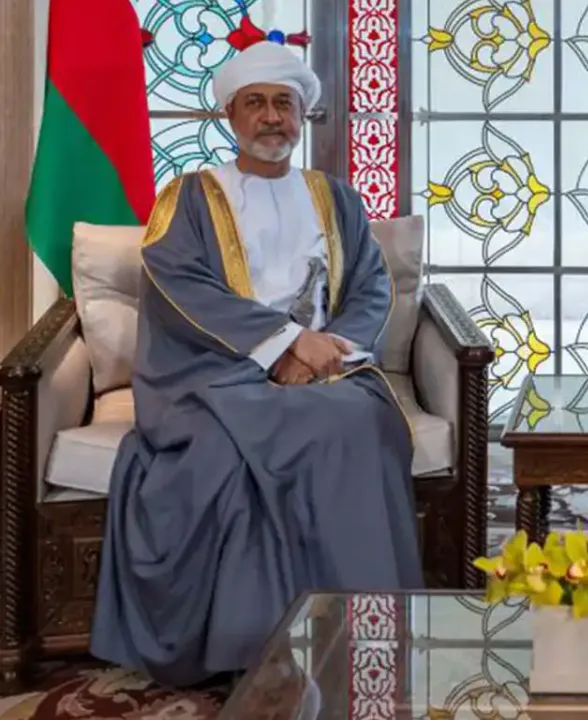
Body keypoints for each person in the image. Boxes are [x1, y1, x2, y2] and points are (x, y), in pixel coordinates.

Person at [90, 40, 424, 686]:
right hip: (214, 374)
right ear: (231, 116)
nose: (271, 117)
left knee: (360, 422)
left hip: (329, 369)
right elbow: (180, 286)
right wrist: (283, 344)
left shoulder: (337, 198)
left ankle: (357, 627)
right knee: (236, 447)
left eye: (283, 104)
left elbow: (371, 289)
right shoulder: (190, 196)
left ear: (300, 117)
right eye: (255, 104)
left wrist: (325, 351)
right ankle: (253, 645)